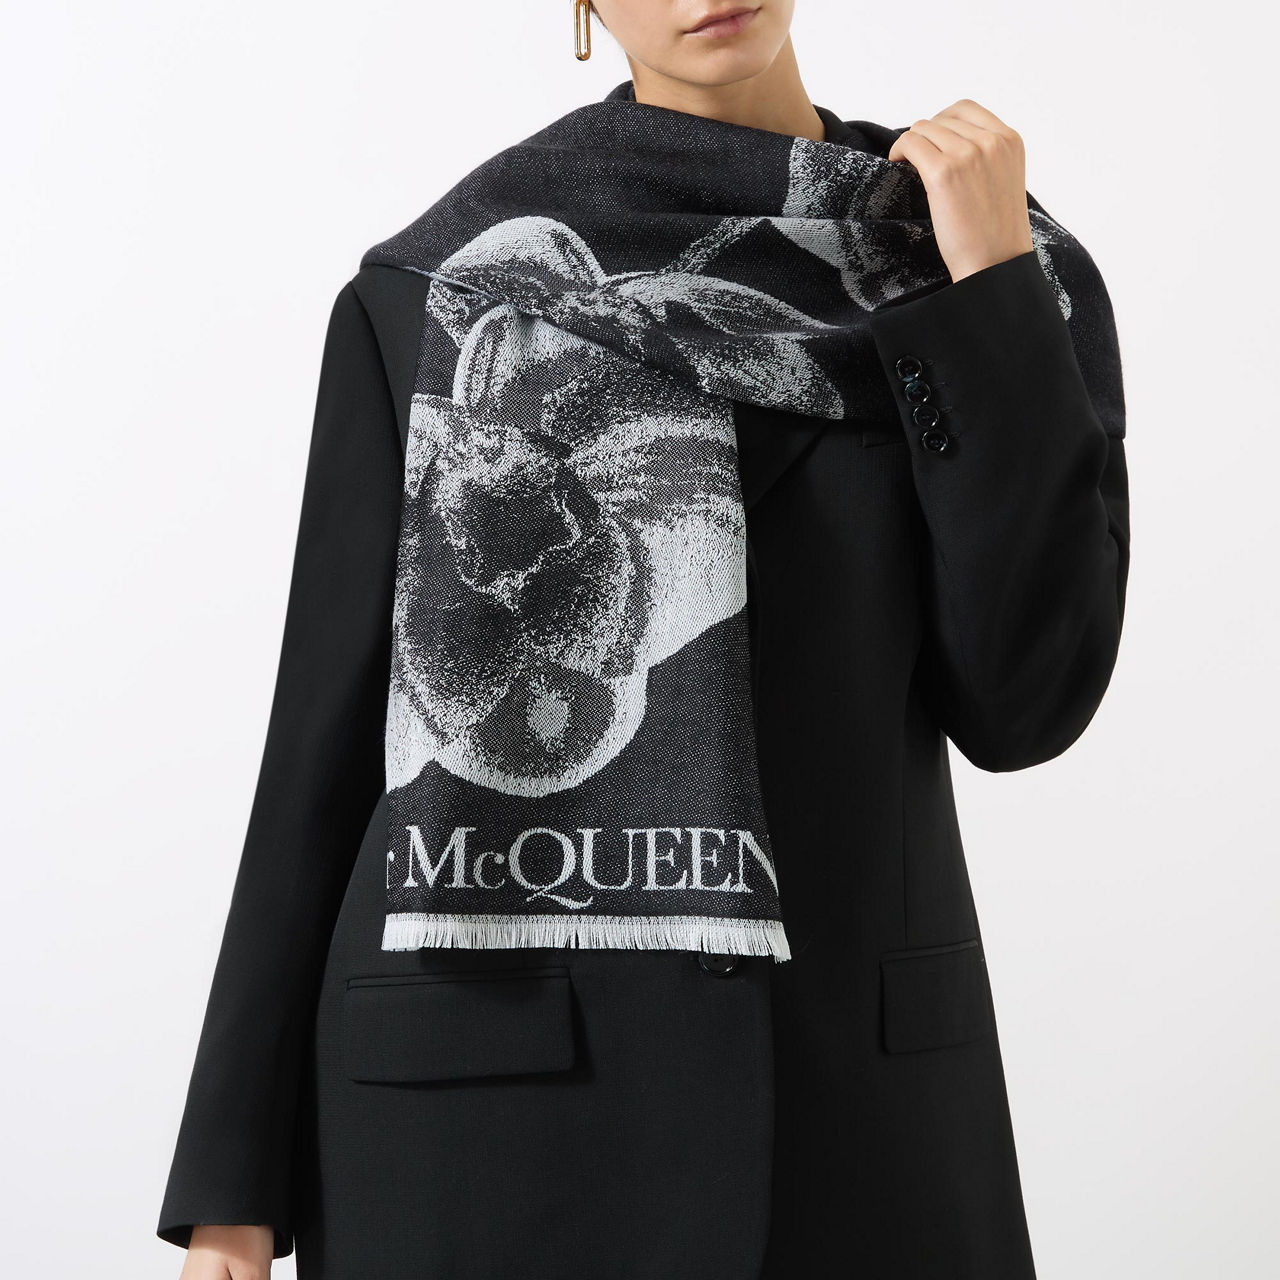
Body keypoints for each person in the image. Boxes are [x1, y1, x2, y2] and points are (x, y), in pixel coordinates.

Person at [157, 2, 1129, 1277]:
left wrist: (988, 292)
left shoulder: (979, 263)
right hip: (474, 1121)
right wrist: (231, 1185)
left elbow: (1025, 700)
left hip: (851, 1121)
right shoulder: (438, 288)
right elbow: (320, 740)